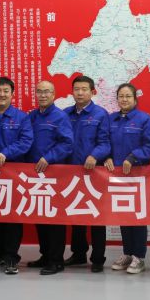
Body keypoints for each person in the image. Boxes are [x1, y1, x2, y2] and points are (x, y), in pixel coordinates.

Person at [104, 83, 150, 274]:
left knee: (137, 216)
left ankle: (139, 257)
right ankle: (127, 253)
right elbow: (104, 142)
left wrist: (133, 157)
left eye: (128, 96)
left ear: (135, 99)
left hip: (138, 175)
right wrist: (106, 157)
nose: (124, 99)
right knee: (124, 215)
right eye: (121, 96)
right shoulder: (111, 119)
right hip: (117, 176)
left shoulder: (144, 119)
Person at [0, 77, 34, 275]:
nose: (2, 94)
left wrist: (6, 153)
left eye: (6, 91)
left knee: (12, 217)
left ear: (12, 94)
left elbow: (26, 141)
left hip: (13, 173)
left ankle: (12, 256)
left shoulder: (22, 117)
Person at [25, 80, 74, 276]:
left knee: (54, 219)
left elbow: (67, 144)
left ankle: (56, 260)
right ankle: (45, 255)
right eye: (39, 91)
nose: (43, 95)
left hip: (54, 175)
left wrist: (49, 158)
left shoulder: (60, 117)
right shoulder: (32, 116)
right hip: (35, 175)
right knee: (41, 217)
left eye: (46, 92)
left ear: (53, 94)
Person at [63, 75, 111, 273]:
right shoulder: (65, 114)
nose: (80, 93)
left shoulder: (101, 114)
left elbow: (105, 143)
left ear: (93, 92)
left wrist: (94, 155)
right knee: (76, 214)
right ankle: (78, 253)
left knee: (96, 216)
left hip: (94, 173)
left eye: (84, 89)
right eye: (76, 89)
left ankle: (98, 257)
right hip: (70, 171)